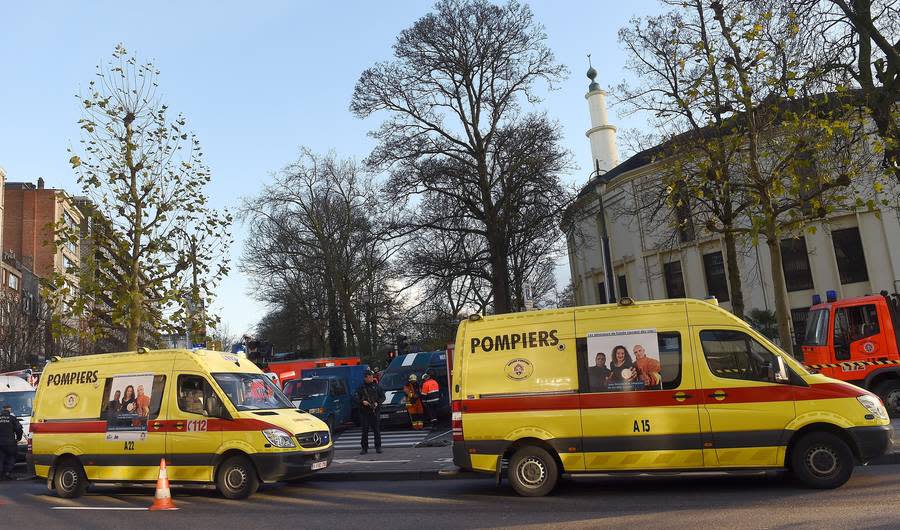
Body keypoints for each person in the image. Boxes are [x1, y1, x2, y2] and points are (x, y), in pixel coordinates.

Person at [355, 370, 385, 454]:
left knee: (376, 430)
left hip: (375, 411)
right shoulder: (361, 388)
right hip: (364, 412)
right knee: (365, 431)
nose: (371, 378)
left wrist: (377, 402)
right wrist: (362, 402)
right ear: (365, 378)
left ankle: (378, 447)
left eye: (371, 376)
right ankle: (364, 448)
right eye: (369, 377)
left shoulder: (377, 386)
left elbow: (383, 397)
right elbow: (355, 398)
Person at [0, 404, 23, 480]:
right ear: (9, 410)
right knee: (11, 457)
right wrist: (18, 438)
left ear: (3, 409)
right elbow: (19, 429)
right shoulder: (12, 418)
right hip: (10, 443)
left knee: (1, 458)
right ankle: (7, 473)